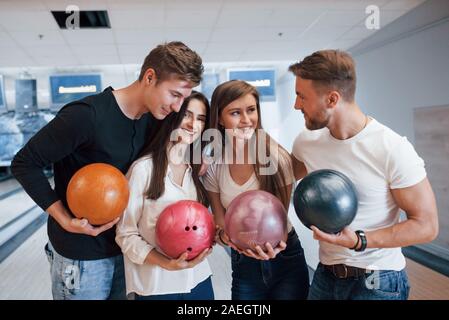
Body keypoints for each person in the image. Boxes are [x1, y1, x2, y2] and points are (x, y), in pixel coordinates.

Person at [10, 41, 204, 300]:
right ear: (149, 77)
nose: (178, 107)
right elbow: (24, 163)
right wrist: (64, 219)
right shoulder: (86, 115)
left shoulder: (153, 121)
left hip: (125, 251)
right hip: (81, 255)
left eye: (184, 97)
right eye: (175, 94)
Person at [289, 49, 439, 300]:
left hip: (378, 280)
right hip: (325, 275)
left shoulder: (391, 148)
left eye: (301, 97)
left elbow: (427, 226)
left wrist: (360, 240)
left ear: (332, 99)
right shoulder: (307, 143)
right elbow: (279, 180)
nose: (296, 105)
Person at [203, 80, 310, 300]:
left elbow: (278, 222)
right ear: (220, 120)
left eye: (251, 110)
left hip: (285, 256)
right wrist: (227, 238)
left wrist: (272, 244)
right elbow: (220, 225)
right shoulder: (215, 166)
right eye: (235, 113)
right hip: (244, 262)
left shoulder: (276, 158)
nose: (246, 120)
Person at [115, 91, 214, 300]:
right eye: (187, 115)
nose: (193, 124)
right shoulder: (142, 170)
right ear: (172, 115)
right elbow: (126, 234)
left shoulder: (196, 171)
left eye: (201, 119)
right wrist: (165, 262)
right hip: (158, 285)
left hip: (199, 279)